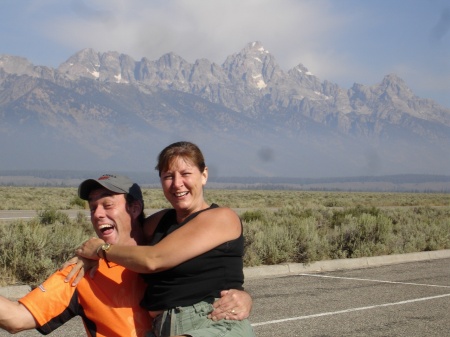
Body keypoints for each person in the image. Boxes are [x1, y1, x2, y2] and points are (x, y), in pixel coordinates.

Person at [0, 173, 252, 337]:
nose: (97, 214)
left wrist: (242, 295)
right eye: (93, 208)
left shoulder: (167, 254)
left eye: (108, 205)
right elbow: (16, 318)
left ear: (134, 208)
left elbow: (218, 277)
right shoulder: (83, 271)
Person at [76, 142, 255, 337]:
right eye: (168, 176)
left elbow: (153, 259)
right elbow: (125, 238)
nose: (177, 183)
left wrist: (100, 250)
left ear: (204, 175)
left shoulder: (222, 218)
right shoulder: (159, 222)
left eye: (185, 174)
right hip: (162, 328)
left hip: (212, 323)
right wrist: (85, 257)